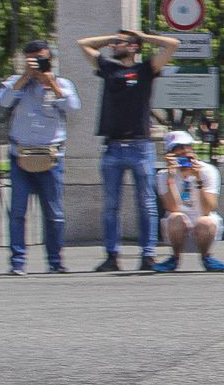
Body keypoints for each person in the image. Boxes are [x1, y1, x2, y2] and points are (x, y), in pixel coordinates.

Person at [76, 26, 179, 271]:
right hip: (112, 146)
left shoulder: (146, 69)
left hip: (140, 146)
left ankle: (148, 254)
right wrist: (111, 38)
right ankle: (112, 255)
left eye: (120, 43)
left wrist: (142, 37)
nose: (114, 46)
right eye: (115, 43)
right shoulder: (108, 67)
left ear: (133, 47)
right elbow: (83, 43)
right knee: (111, 205)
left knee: (146, 202)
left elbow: (172, 44)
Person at [0, 39, 81, 275]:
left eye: (41, 58)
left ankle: (55, 261)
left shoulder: (61, 83)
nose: (37, 63)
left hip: (50, 158)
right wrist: (25, 77)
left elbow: (74, 108)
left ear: (50, 59)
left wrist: (50, 82)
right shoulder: (16, 82)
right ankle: (18, 263)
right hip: (20, 155)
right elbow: (2, 101)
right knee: (18, 212)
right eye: (32, 58)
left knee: (54, 213)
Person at [153, 130, 224, 272]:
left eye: (187, 147)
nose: (184, 153)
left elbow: (208, 208)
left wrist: (198, 179)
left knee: (205, 221)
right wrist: (171, 179)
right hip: (177, 231)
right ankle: (174, 258)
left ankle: (207, 257)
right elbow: (172, 207)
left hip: (205, 231)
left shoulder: (208, 171)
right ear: (169, 155)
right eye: (178, 149)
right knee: (175, 217)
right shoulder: (163, 175)